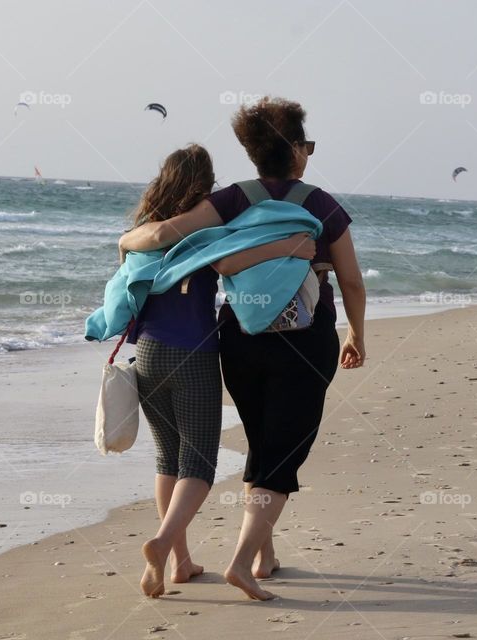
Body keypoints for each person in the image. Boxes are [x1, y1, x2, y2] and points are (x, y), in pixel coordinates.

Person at [120, 97, 367, 600]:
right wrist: (357, 333)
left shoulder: (231, 199)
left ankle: (263, 552)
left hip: (240, 340)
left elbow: (167, 234)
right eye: (308, 145)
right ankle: (240, 563)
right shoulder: (322, 204)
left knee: (262, 438)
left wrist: (127, 240)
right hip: (305, 342)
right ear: (296, 150)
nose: (309, 154)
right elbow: (352, 283)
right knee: (280, 453)